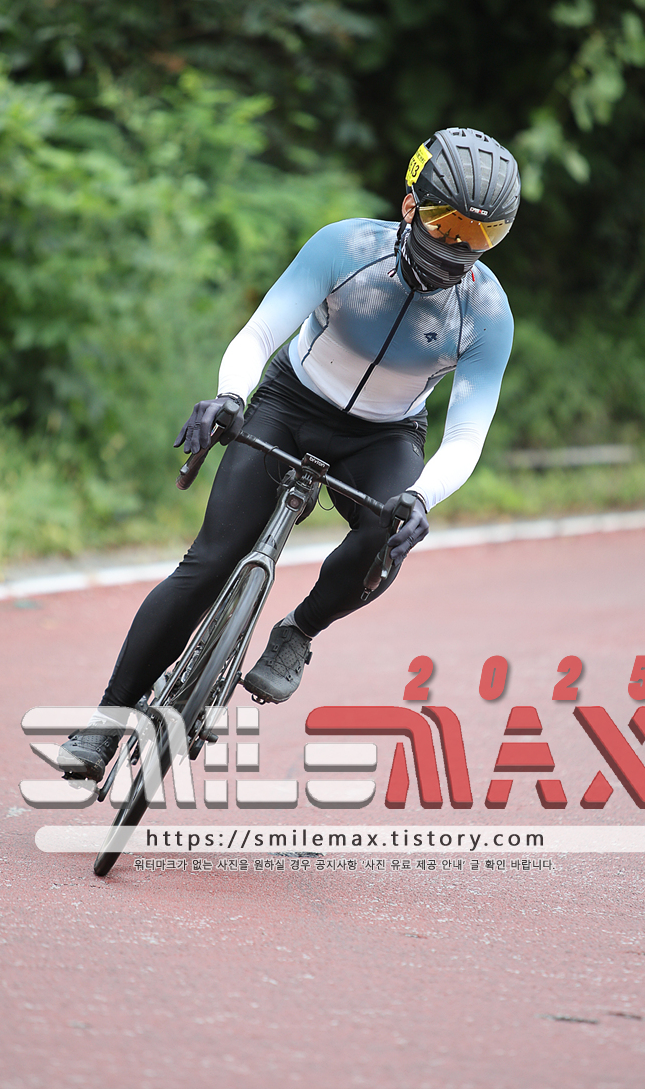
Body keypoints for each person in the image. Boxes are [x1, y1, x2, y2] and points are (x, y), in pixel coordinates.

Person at [58, 126, 519, 780]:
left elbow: (467, 435)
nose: (457, 247)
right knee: (208, 564)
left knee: (386, 537)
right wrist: (230, 396)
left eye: (480, 236)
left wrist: (421, 497)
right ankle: (107, 724)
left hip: (384, 436)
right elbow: (259, 334)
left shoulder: (487, 312)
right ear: (410, 205)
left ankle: (297, 632)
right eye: (447, 224)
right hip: (291, 403)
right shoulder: (345, 248)